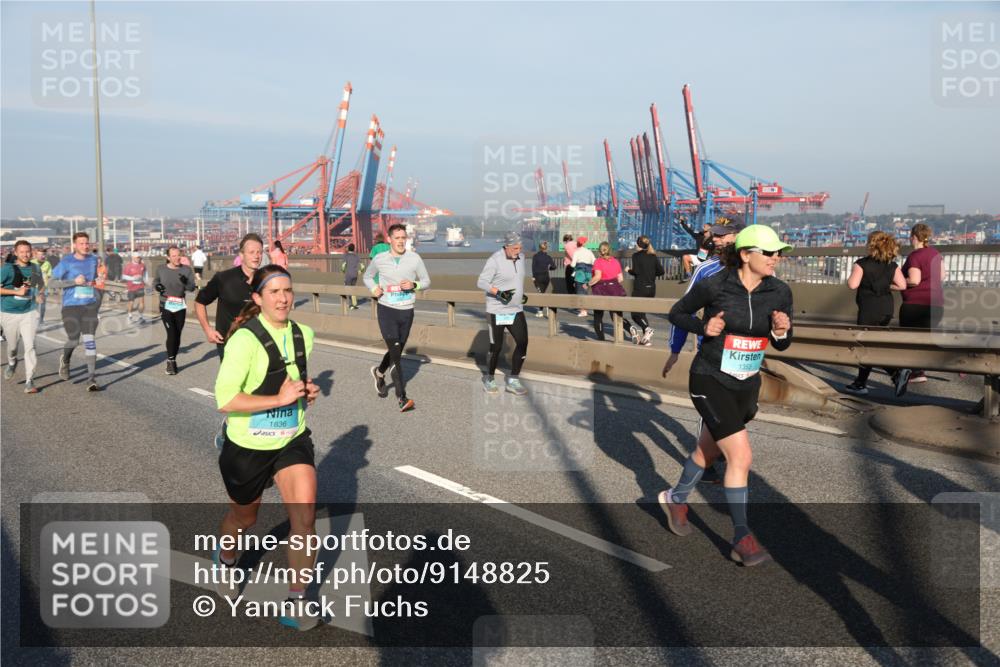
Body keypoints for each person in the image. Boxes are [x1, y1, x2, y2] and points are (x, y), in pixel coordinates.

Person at [658, 224, 793, 567]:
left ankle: (675, 498)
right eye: (770, 252)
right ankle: (742, 537)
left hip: (746, 384)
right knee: (741, 456)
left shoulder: (780, 292)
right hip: (709, 378)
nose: (776, 258)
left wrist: (781, 332)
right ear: (746, 254)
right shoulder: (715, 285)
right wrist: (703, 327)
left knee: (708, 449)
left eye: (779, 253)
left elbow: (783, 342)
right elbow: (677, 313)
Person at [212, 265, 322, 631]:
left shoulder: (304, 334)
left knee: (305, 518)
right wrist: (278, 399)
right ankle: (226, 559)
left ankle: (297, 600)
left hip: (291, 438)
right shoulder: (243, 340)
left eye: (287, 290)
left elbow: (291, 381)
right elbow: (226, 399)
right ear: (258, 298)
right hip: (247, 445)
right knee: (244, 519)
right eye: (274, 291)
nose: (283, 298)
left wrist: (306, 391)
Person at [363, 223, 431, 412]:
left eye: (403, 238)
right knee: (396, 354)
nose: (401, 241)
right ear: (389, 240)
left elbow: (426, 281)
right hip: (387, 310)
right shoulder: (380, 259)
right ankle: (402, 397)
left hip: (407, 311)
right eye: (397, 238)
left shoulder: (414, 258)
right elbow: (367, 276)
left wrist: (414, 285)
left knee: (396, 351)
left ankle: (379, 372)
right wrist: (374, 288)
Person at [843, 231, 909, 397]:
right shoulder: (892, 265)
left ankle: (894, 372)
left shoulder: (861, 264)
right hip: (886, 309)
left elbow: (852, 284)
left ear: (871, 245)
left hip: (868, 309)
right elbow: (902, 285)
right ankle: (861, 382)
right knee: (873, 344)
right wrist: (886, 286)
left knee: (865, 346)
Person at [197, 233, 264, 360]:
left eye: (259, 252)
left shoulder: (266, 279)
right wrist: (208, 330)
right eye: (251, 252)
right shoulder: (224, 278)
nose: (256, 256)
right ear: (241, 255)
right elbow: (200, 301)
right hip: (229, 342)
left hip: (258, 342)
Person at [478, 231, 529, 396]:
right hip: (497, 310)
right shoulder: (495, 260)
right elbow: (481, 282)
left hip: (515, 310)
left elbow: (516, 280)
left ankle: (513, 379)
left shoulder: (521, 257)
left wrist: (521, 295)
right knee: (496, 347)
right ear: (506, 246)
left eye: (520, 248)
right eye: (515, 248)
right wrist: (499, 293)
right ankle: (489, 378)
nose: (518, 251)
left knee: (522, 342)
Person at [49, 232, 101, 391]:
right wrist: (74, 282)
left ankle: (91, 378)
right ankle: (65, 360)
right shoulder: (66, 261)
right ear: (74, 245)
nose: (85, 246)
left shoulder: (93, 260)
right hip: (71, 306)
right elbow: (52, 283)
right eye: (81, 243)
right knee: (73, 341)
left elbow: (94, 279)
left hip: (89, 306)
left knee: (90, 341)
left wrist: (96, 281)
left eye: (87, 243)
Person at [897, 223, 944, 386]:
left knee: (910, 339)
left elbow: (914, 280)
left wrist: (899, 282)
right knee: (927, 338)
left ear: (914, 237)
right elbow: (942, 276)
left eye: (910, 236)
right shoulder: (936, 254)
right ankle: (959, 358)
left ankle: (917, 372)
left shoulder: (915, 256)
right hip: (936, 303)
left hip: (915, 304)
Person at [1, 240, 44, 393]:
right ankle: (12, 362)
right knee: (12, 347)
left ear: (31, 252)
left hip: (29, 312)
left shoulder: (35, 268)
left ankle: (29, 381)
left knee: (30, 346)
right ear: (16, 253)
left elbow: (40, 284)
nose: (25, 254)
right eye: (22, 252)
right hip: (9, 312)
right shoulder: (7, 269)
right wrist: (15, 292)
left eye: (28, 251)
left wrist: (39, 294)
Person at [155, 246, 198, 375]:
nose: (177, 258)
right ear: (168, 257)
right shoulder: (161, 269)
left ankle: (172, 358)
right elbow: (155, 281)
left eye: (179, 255)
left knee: (177, 334)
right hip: (165, 304)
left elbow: (191, 288)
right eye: (174, 256)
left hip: (179, 304)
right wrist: (157, 286)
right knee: (172, 333)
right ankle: (171, 361)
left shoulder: (186, 270)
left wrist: (186, 283)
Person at [588, 241, 635, 342]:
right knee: (616, 316)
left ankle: (601, 339)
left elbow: (597, 277)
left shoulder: (598, 261)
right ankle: (630, 328)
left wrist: (588, 284)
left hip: (601, 291)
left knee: (598, 315)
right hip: (615, 290)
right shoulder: (615, 261)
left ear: (599, 250)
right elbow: (620, 279)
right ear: (610, 250)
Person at [626, 235, 665, 345]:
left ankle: (647, 329)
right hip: (651, 289)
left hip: (640, 288)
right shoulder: (653, 256)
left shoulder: (636, 256)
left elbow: (636, 272)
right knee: (642, 314)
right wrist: (651, 274)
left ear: (638, 244)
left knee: (635, 314)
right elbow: (661, 271)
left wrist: (628, 270)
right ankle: (646, 340)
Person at [570, 236, 595, 318]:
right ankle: (586, 309)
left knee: (580, 291)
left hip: (580, 274)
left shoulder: (576, 252)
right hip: (588, 273)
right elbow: (594, 261)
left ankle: (583, 311)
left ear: (577, 243)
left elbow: (573, 264)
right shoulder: (589, 252)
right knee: (586, 291)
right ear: (585, 243)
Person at [531, 240, 556, 318]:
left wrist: (533, 276)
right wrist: (549, 268)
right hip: (546, 277)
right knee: (542, 293)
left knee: (541, 294)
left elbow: (533, 267)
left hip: (538, 277)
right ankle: (545, 307)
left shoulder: (535, 256)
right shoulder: (548, 257)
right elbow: (554, 267)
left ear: (539, 247)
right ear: (546, 248)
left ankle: (541, 311)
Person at [123, 253, 148, 323]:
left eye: (139, 257)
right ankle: (129, 315)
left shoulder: (142, 265)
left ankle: (141, 316)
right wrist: (133, 278)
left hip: (140, 286)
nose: (138, 259)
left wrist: (146, 281)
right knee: (131, 302)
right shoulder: (128, 266)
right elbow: (124, 276)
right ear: (133, 258)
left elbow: (145, 273)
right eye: (137, 257)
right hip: (131, 287)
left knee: (142, 302)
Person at [341, 243, 363, 310]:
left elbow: (343, 265)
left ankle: (351, 305)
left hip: (348, 274)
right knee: (353, 288)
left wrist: (343, 271)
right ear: (354, 249)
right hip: (355, 274)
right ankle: (354, 304)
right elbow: (363, 266)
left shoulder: (346, 256)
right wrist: (360, 271)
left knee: (348, 289)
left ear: (348, 249)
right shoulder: (356, 256)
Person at [35, 248, 52, 326]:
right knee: (35, 305)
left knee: (42, 304)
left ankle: (41, 320)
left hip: (44, 287)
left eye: (43, 254)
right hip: (34, 287)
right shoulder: (32, 263)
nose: (42, 256)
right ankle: (34, 319)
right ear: (36, 255)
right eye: (40, 254)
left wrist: (46, 286)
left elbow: (49, 276)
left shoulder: (47, 264)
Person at [561, 234, 578, 298]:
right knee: (576, 283)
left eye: (564, 241)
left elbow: (572, 255)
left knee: (570, 283)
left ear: (566, 240)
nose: (564, 243)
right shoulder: (576, 243)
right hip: (578, 266)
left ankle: (572, 299)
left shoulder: (568, 245)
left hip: (571, 266)